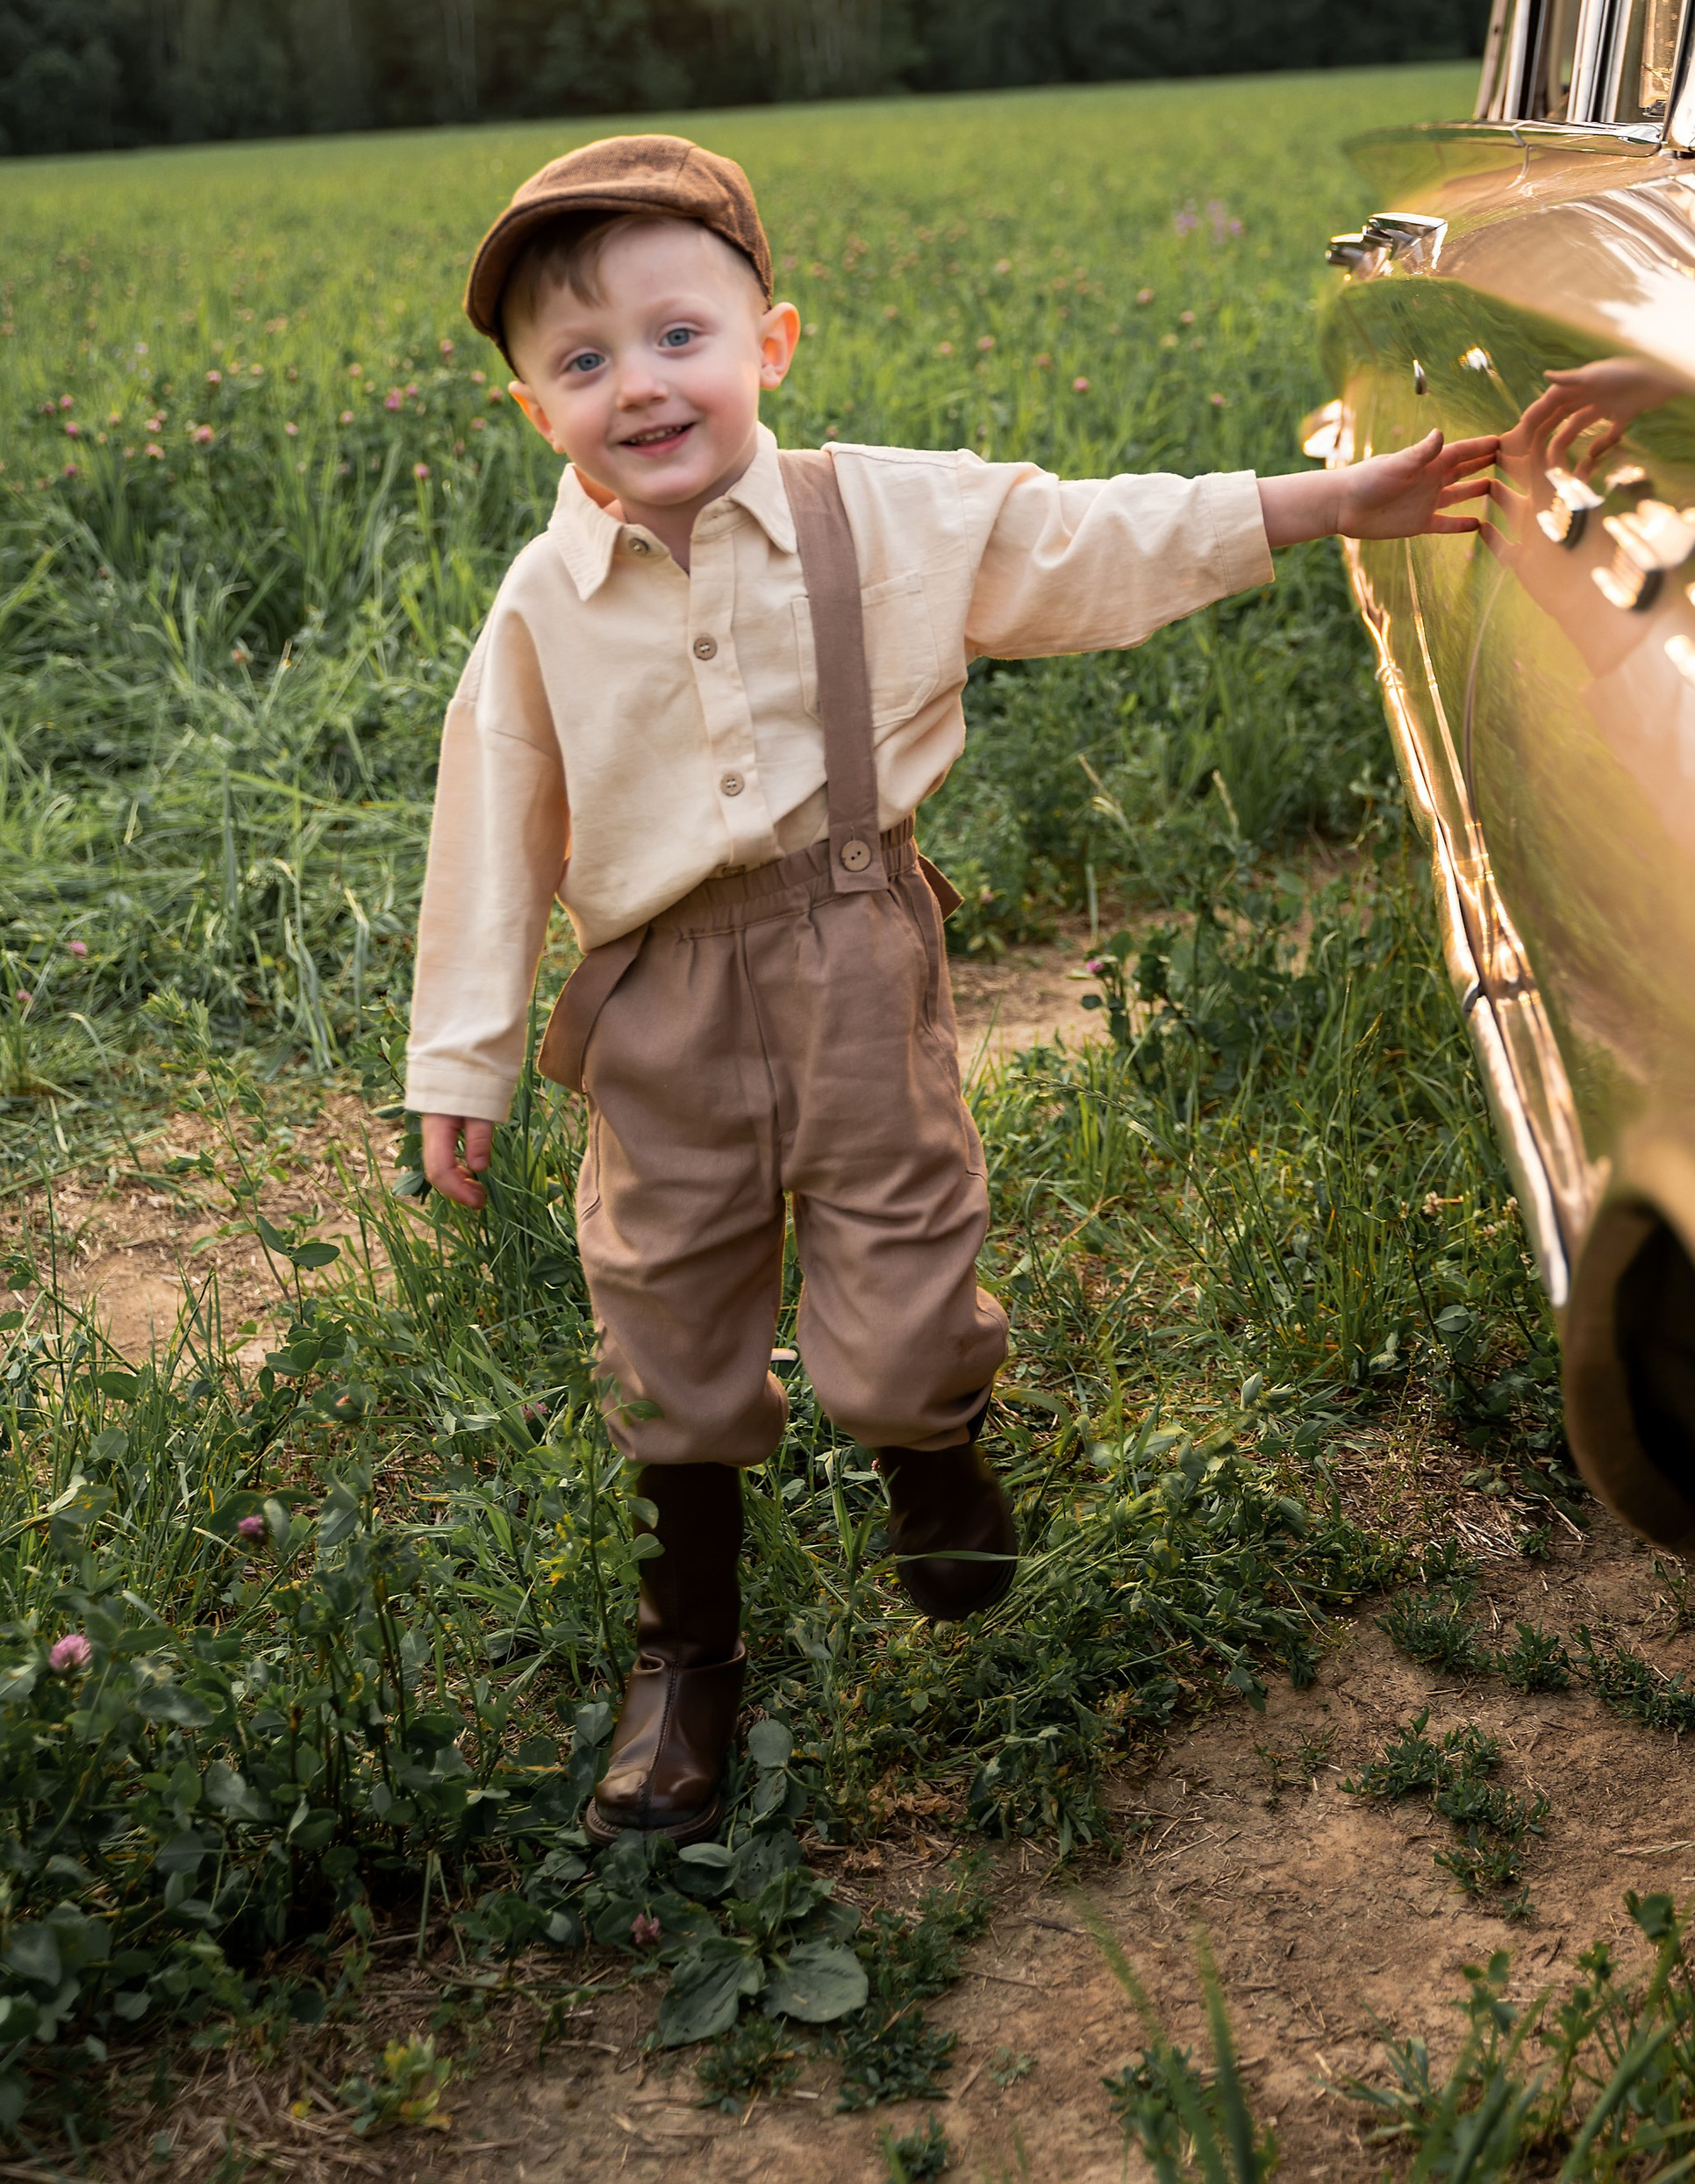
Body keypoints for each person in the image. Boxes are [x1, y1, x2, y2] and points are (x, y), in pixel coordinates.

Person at [405, 133, 1498, 1846]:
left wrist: (1315, 504)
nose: (641, 385)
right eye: (584, 358)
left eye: (679, 335)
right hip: (655, 1004)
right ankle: (684, 1654)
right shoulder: (544, 602)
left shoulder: (883, 514)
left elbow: (1084, 538)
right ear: (533, 404)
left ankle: (931, 1447)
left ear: (770, 342)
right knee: (661, 1321)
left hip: (851, 951)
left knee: (901, 1283)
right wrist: (460, 1061)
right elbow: (491, 825)